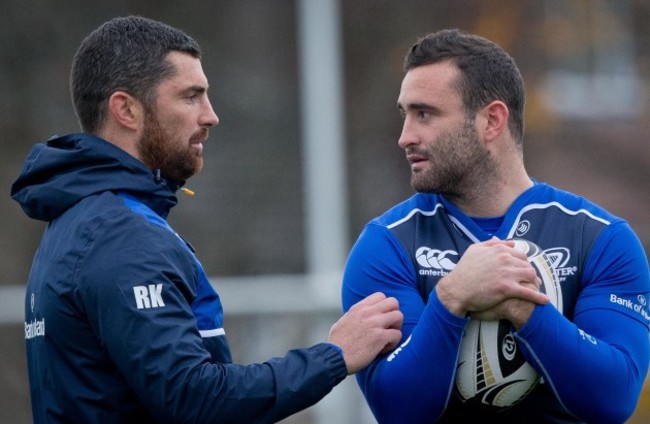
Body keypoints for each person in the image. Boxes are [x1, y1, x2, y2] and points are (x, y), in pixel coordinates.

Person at [11, 16, 403, 424]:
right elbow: (196, 400)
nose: (210, 115)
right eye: (190, 96)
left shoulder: (80, 219)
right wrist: (333, 356)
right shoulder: (120, 236)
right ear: (126, 109)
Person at [341, 28, 650, 423]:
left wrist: (524, 308)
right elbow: (399, 410)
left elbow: (614, 399)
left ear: (491, 121)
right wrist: (452, 298)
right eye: (405, 114)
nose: (405, 137)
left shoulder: (600, 238)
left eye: (425, 114)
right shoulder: (387, 244)